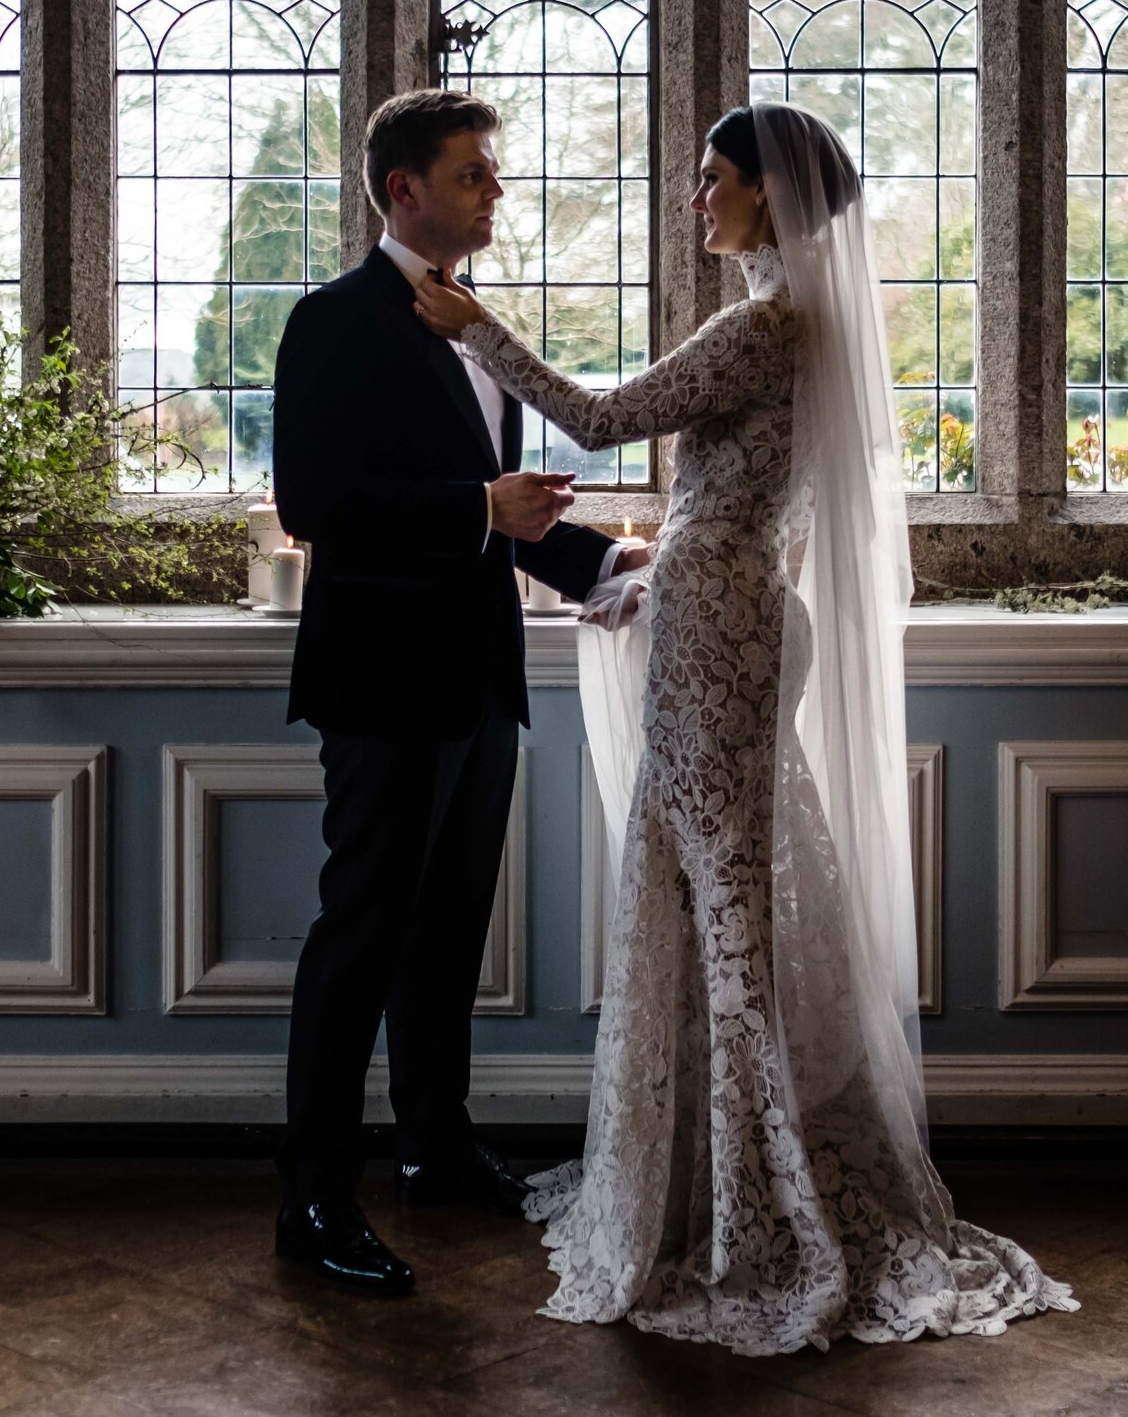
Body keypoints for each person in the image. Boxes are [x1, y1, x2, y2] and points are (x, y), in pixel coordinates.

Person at [409, 102, 1078, 1353]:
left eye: (709, 178)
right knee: (713, 874)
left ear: (766, 195)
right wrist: (669, 553)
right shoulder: (800, 325)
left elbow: (603, 417)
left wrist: (476, 328)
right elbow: (740, 488)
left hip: (718, 623)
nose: (693, 198)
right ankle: (706, 1174)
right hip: (721, 597)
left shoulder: (767, 323)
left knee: (722, 889)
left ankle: (749, 1200)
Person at [269, 88, 647, 1296]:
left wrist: (610, 566)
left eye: (494, 172)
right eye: (475, 172)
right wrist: (476, 508)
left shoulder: (471, 323)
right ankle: (315, 1198)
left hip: (481, 683)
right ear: (403, 190)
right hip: (382, 684)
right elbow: (314, 508)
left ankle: (433, 1146)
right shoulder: (332, 322)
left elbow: (499, 509)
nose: (496, 190)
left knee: (443, 942)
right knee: (359, 939)